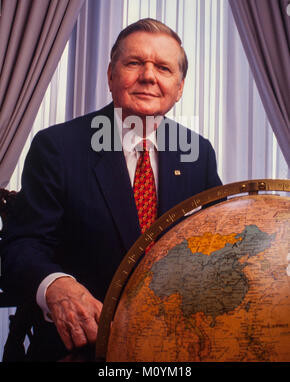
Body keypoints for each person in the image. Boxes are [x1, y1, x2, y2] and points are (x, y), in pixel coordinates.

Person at [1, 18, 222, 361]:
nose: (148, 76)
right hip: (82, 350)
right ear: (111, 75)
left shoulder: (198, 152)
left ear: (179, 88)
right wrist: (55, 285)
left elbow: (216, 244)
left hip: (174, 350)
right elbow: (21, 245)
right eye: (134, 63)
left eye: (163, 67)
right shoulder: (58, 147)